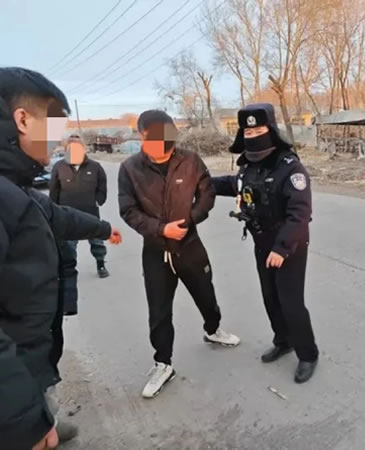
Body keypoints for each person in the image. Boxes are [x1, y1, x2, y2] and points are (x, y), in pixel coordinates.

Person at [0, 67, 122, 450]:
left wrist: (103, 229)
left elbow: (56, 216)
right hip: (12, 376)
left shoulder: (15, 188)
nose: (57, 142)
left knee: (42, 398)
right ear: (23, 120)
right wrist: (21, 421)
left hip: (31, 354)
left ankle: (45, 414)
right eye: (53, 127)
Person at [118, 110, 240, 399]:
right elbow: (128, 210)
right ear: (141, 136)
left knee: (206, 294)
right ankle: (163, 363)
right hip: (156, 251)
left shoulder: (190, 160)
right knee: (159, 311)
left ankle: (213, 329)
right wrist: (161, 229)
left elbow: (207, 194)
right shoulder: (130, 169)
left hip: (190, 246)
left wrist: (190, 221)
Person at [212, 103, 319, 384]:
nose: (253, 135)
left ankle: (308, 354)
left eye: (258, 130)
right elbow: (235, 185)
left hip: (289, 245)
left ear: (270, 130)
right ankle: (283, 341)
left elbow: (300, 214)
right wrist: (203, 183)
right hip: (262, 241)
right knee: (270, 297)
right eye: (248, 131)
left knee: (291, 302)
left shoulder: (289, 167)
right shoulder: (248, 166)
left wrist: (281, 248)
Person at [49, 135, 109, 316]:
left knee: (97, 242)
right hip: (67, 217)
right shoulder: (59, 167)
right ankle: (69, 271)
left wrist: (99, 201)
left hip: (90, 213)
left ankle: (100, 264)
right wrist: (55, 210)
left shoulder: (95, 167)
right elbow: (53, 190)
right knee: (68, 246)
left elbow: (102, 186)